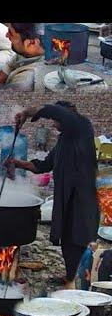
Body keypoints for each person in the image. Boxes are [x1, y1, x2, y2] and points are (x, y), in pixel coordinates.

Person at [6, 102, 99, 289]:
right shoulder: (65, 140)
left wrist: (28, 112)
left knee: (78, 238)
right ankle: (70, 276)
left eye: (57, 119)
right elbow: (42, 165)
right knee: (66, 237)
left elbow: (54, 111)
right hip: (65, 198)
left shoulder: (82, 127)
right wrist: (16, 162)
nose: (54, 122)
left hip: (81, 198)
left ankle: (79, 282)